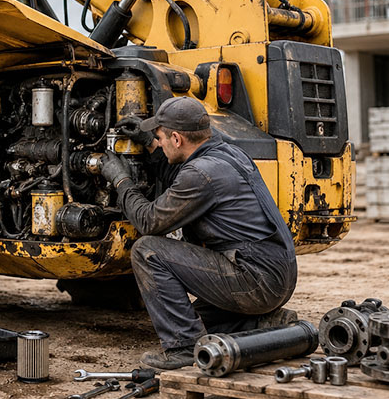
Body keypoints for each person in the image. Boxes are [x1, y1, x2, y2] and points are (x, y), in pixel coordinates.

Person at [99, 96, 298, 370]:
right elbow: (178, 177)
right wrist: (150, 145)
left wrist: (120, 180)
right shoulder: (228, 153)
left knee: (148, 250)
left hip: (257, 281)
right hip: (276, 277)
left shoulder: (201, 174)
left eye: (159, 137)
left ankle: (183, 348)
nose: (159, 143)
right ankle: (262, 322)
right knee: (192, 317)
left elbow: (149, 222)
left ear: (178, 139)